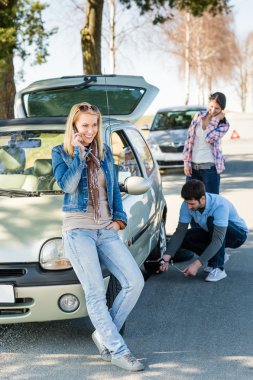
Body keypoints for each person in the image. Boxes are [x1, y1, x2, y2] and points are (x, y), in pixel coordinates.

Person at [51, 102, 144, 372]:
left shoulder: (104, 155)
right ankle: (118, 350)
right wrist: (79, 155)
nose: (90, 130)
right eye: (85, 125)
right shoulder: (61, 152)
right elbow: (67, 185)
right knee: (95, 293)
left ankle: (105, 334)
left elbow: (113, 192)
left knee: (134, 282)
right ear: (74, 127)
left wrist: (120, 219)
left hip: (105, 230)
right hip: (78, 231)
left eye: (94, 125)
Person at [160, 180, 248, 282]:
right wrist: (166, 257)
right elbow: (180, 232)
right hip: (213, 232)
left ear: (202, 199)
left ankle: (218, 268)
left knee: (211, 221)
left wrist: (196, 265)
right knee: (186, 237)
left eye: (192, 204)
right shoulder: (186, 205)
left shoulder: (219, 206)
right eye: (187, 203)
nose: (189, 207)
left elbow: (217, 240)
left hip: (237, 235)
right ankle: (219, 256)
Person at [183, 92, 230, 194]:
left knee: (211, 201)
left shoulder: (224, 124)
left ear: (222, 109)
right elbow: (189, 140)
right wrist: (186, 163)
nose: (213, 110)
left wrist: (215, 119)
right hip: (193, 168)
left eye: (217, 108)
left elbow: (209, 138)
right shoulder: (198, 116)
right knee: (191, 201)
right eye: (211, 106)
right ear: (209, 103)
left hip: (210, 169)